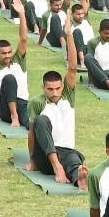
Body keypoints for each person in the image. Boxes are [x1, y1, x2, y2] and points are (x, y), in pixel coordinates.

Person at [26, 37, 86, 190]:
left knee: (74, 162)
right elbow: (32, 133)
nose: (54, 93)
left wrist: (69, 35)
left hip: (66, 151)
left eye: (58, 88)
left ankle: (79, 179)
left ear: (62, 87)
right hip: (45, 157)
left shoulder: (68, 96)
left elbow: (72, 67)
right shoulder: (36, 102)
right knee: (41, 120)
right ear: (43, 88)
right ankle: (57, 168)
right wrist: (33, 161)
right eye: (50, 89)